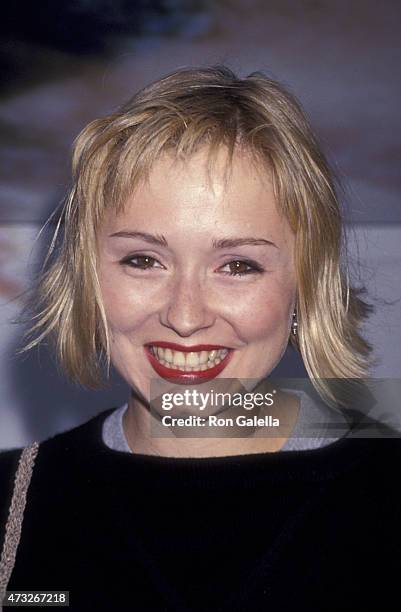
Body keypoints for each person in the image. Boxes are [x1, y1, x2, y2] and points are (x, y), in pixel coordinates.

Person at [0, 66, 400, 611]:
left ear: (306, 285)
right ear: (88, 278)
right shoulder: (12, 508)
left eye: (237, 265)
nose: (185, 316)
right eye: (143, 260)